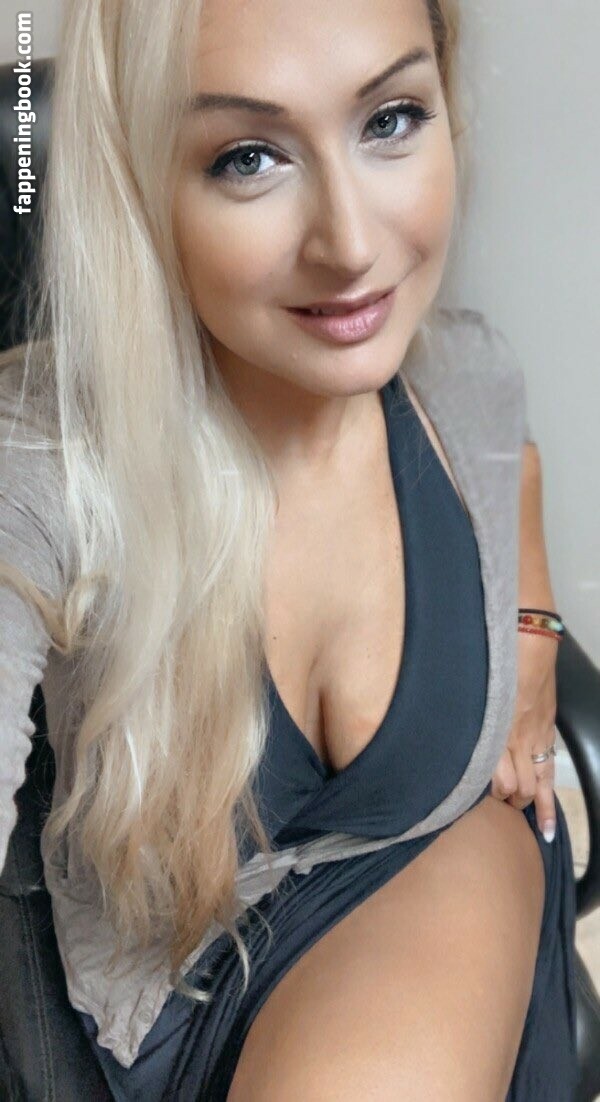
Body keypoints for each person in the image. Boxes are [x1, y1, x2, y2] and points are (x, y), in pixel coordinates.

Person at [0, 0, 578, 1098]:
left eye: (390, 119)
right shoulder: (39, 455)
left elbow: (520, 463)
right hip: (170, 1034)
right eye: (248, 158)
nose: (351, 245)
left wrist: (534, 625)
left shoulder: (467, 378)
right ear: (140, 183)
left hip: (450, 918)